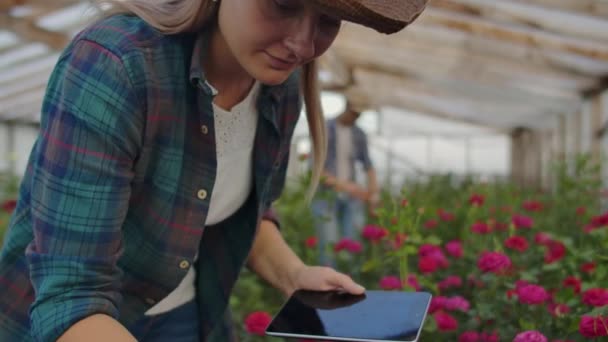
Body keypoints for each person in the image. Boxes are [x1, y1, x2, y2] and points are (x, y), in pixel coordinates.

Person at [0, 0, 428, 341]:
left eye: (328, 20)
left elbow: (245, 210)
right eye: (283, 4)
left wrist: (296, 275)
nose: (302, 44)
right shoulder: (119, 66)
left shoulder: (280, 87)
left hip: (185, 314)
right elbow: (73, 298)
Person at [312, 100, 380, 265]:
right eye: (354, 112)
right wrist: (348, 187)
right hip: (325, 195)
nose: (356, 116)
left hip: (352, 197)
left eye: (359, 114)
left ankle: (352, 286)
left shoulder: (359, 134)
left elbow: (368, 166)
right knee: (329, 247)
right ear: (347, 104)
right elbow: (317, 171)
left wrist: (374, 194)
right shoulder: (324, 128)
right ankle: (329, 288)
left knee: (353, 247)